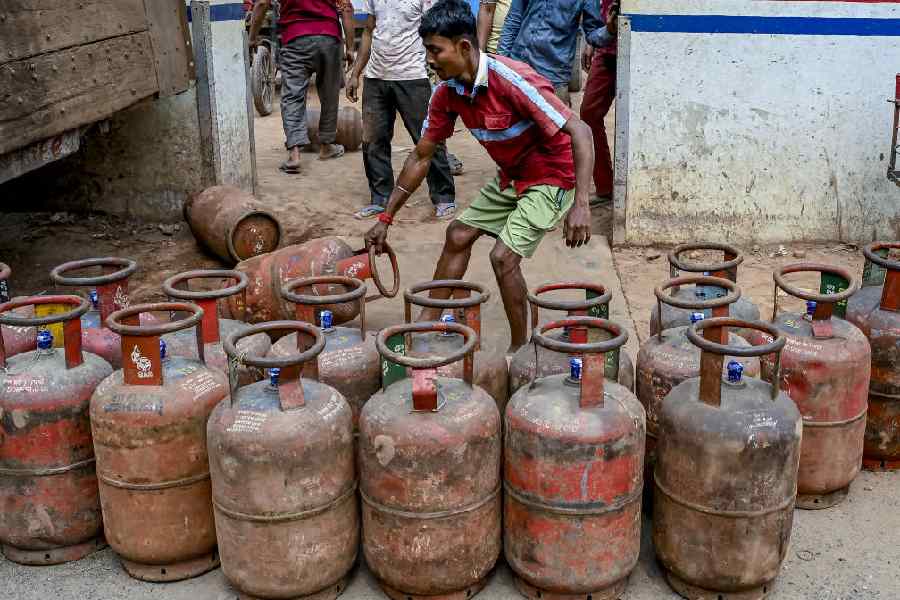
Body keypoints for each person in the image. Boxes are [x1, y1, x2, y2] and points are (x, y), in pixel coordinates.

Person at [365, 0, 594, 355]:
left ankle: (520, 351)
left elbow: (580, 131)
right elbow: (421, 155)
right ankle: (430, 319)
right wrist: (386, 217)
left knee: (503, 257)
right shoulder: (446, 94)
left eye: (435, 50)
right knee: (458, 234)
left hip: (552, 175)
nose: (429, 59)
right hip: (512, 177)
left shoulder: (512, 79)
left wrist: (581, 204)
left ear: (465, 47)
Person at [347, 0, 458, 220]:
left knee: (428, 138)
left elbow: (434, 33)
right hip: (375, 77)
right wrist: (355, 73)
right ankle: (380, 199)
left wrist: (438, 70)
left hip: (412, 76)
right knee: (373, 140)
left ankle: (444, 197)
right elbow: (369, 31)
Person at [249, 0, 356, 174]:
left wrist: (252, 37)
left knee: (292, 96)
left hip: (295, 38)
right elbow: (346, 9)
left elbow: (262, 3)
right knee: (330, 93)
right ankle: (326, 145)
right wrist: (350, 48)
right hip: (329, 37)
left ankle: (294, 154)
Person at [496, 0, 609, 106]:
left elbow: (593, 33)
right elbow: (513, 19)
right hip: (518, 68)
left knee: (553, 125)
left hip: (552, 78)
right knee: (513, 124)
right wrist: (500, 65)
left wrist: (610, 30)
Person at [580, 0, 619, 206]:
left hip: (639, 46)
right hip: (606, 50)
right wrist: (591, 42)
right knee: (589, 114)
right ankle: (605, 187)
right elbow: (596, 11)